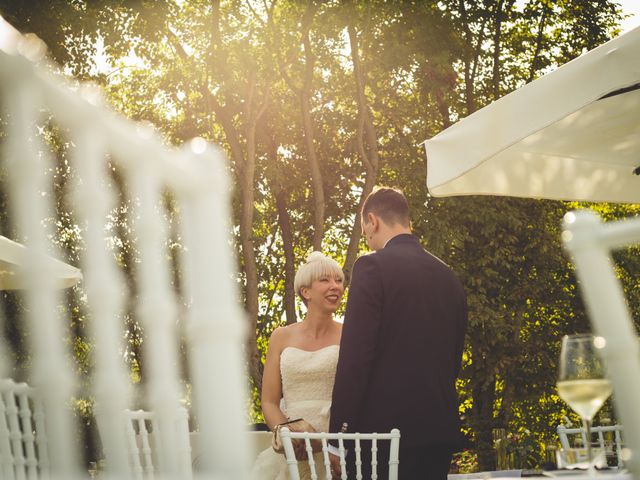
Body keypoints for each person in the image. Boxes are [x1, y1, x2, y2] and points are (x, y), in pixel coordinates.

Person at [329, 187, 468, 480]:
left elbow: (355, 359)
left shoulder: (371, 267)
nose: (368, 238)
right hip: (436, 433)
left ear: (372, 220)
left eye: (365, 231)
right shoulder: (448, 276)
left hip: (382, 441)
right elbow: (452, 360)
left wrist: (338, 435)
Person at [251, 251, 345, 480]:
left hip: (334, 445)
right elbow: (269, 401)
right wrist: (287, 435)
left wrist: (334, 444)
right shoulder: (280, 336)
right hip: (292, 446)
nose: (336, 286)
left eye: (339, 280)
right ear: (306, 292)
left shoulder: (350, 335)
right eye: (325, 280)